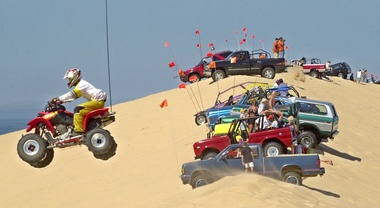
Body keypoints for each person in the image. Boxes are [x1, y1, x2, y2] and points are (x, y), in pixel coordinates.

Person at [51, 68, 107, 138]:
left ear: (75, 77)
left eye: (69, 79)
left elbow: (72, 95)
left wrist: (58, 99)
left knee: (78, 109)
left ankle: (78, 131)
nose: (69, 81)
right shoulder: (80, 84)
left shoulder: (81, 85)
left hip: (98, 102)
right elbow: (72, 97)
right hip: (97, 101)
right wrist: (61, 101)